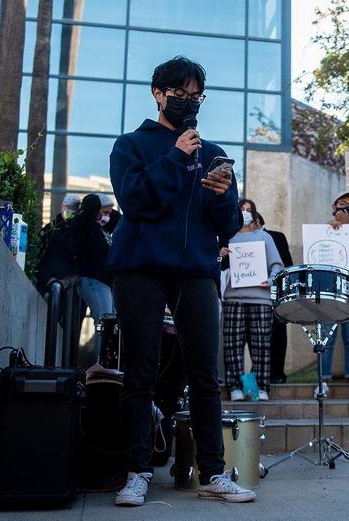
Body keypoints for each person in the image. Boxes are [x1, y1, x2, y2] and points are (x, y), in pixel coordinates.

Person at [108, 56, 255, 506]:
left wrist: (222, 196)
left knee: (205, 375)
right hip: (140, 267)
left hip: (195, 270)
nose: (189, 103)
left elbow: (227, 224)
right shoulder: (131, 145)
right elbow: (136, 203)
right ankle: (137, 471)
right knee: (141, 370)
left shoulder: (212, 153)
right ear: (158, 93)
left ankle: (212, 471)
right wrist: (175, 156)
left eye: (197, 96)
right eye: (181, 94)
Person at [220, 198, 284, 401]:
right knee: (232, 345)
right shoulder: (226, 238)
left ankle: (261, 387)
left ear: (254, 215)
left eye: (249, 210)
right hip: (234, 299)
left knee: (261, 345)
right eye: (242, 209)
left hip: (261, 299)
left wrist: (271, 280)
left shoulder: (264, 238)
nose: (245, 213)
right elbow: (216, 265)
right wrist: (220, 253)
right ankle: (234, 387)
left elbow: (277, 265)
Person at [317, 191, 349, 400]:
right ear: (333, 206)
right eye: (342, 203)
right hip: (329, 292)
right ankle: (322, 382)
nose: (345, 208)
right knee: (326, 339)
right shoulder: (323, 231)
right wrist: (328, 231)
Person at [71, 193, 115, 361]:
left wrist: (108, 209)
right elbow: (89, 210)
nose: (106, 216)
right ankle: (101, 363)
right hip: (92, 279)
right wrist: (97, 203)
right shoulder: (85, 225)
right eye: (104, 211)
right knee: (104, 323)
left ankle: (106, 364)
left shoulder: (101, 229)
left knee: (109, 323)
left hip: (104, 282)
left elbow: (118, 219)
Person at [256, 212, 294, 383]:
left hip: (275, 292)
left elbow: (287, 264)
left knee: (278, 332)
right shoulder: (238, 238)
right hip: (253, 293)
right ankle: (258, 370)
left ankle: (277, 372)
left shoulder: (277, 237)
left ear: (258, 220)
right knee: (255, 334)